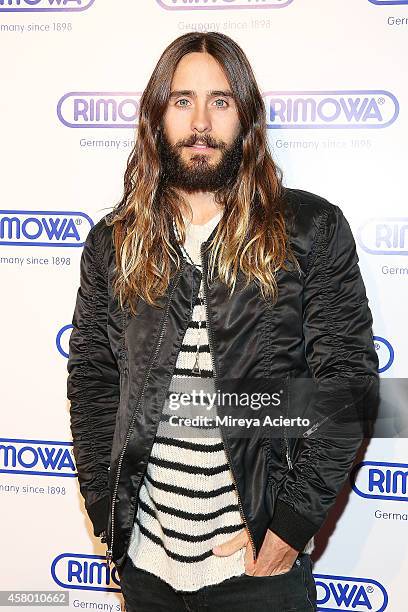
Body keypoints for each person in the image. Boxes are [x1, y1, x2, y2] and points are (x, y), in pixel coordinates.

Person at [67, 31, 379, 612]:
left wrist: (287, 527)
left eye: (221, 100)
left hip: (259, 576)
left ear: (246, 116)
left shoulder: (309, 232)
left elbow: (346, 389)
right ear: (157, 115)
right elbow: (92, 382)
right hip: (145, 572)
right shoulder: (113, 244)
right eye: (183, 100)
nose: (202, 123)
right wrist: (109, 515)